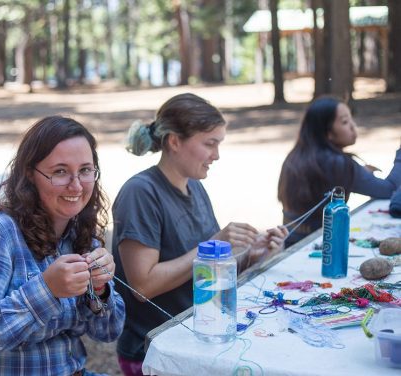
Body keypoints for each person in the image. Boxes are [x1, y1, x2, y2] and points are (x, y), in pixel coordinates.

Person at [111, 93, 287, 375]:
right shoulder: (140, 193)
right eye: (209, 144)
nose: (216, 155)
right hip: (155, 352)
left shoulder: (194, 186)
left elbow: (205, 270)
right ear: (174, 141)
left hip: (197, 336)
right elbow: (142, 287)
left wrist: (253, 255)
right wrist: (215, 243)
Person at [0, 116, 125, 375]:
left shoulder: (81, 233)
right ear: (30, 174)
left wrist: (99, 290)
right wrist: (47, 290)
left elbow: (109, 332)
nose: (76, 185)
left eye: (85, 170)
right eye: (60, 171)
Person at [278, 96, 401, 246]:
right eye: (344, 122)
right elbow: (389, 190)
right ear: (327, 132)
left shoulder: (296, 156)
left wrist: (362, 173)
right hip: (318, 246)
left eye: (351, 119)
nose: (353, 126)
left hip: (291, 243)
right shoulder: (337, 164)